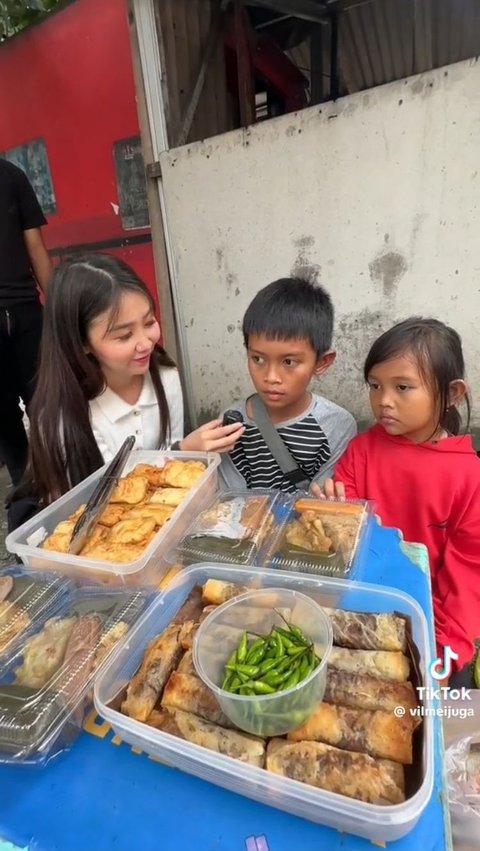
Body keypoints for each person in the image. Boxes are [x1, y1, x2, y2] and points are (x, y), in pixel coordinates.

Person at [14, 254, 242, 515]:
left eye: (149, 322)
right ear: (82, 343)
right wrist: (184, 451)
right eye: (124, 336)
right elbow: (92, 507)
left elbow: (176, 471)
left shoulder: (165, 376)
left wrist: (186, 454)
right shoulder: (63, 417)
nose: (146, 343)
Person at [322, 317, 480, 684]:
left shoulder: (469, 477)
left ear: (452, 393)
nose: (384, 401)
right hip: (355, 610)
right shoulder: (362, 450)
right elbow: (345, 530)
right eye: (375, 386)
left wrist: (440, 656)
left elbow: (468, 579)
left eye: (403, 387)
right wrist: (331, 509)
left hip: (430, 625)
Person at [219, 276, 357, 493]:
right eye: (258, 359)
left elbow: (318, 502)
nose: (271, 377)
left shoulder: (337, 425)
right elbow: (230, 498)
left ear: (321, 362)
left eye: (289, 362)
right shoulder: (232, 422)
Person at [0, 158, 52, 486]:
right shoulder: (12, 175)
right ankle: (38, 485)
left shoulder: (13, 176)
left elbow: (35, 248)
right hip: (24, 310)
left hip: (24, 311)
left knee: (27, 409)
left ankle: (38, 484)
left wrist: (58, 313)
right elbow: (36, 249)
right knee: (28, 408)